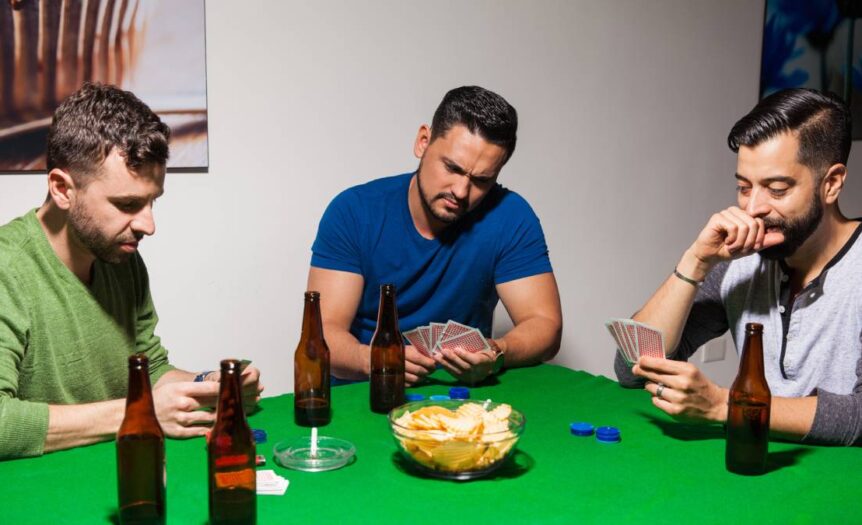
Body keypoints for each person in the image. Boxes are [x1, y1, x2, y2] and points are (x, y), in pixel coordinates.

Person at [0, 83, 262, 460]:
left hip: (121, 471)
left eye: (152, 202)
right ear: (61, 188)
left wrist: (210, 386)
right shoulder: (9, 269)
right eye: (127, 204)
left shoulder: (119, 253)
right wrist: (140, 411)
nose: (148, 225)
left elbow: (149, 366)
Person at [615, 88, 861, 445]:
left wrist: (725, 406)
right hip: (751, 466)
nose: (754, 207)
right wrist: (696, 262)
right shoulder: (740, 264)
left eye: (776, 189)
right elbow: (634, 367)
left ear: (832, 183)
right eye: (744, 187)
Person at [307, 86, 562, 386]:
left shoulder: (511, 217)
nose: (461, 191)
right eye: (452, 168)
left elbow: (545, 324)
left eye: (482, 180)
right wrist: (376, 360)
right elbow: (323, 334)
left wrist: (497, 351)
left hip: (461, 397)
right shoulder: (354, 211)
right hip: (363, 392)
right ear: (423, 141)